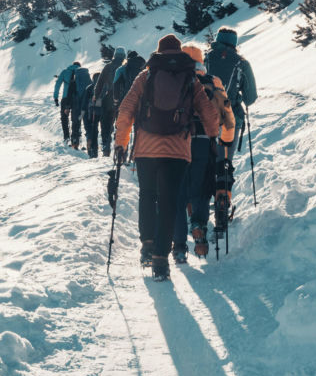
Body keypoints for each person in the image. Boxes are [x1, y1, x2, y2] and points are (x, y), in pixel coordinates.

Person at [113, 34, 219, 280]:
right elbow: (209, 112)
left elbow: (126, 109)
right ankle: (161, 260)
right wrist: (213, 137)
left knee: (148, 196)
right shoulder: (190, 77)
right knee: (170, 202)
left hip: (146, 149)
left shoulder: (146, 75)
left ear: (158, 52)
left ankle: (147, 246)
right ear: (179, 52)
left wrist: (121, 142)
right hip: (178, 150)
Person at [171, 44, 236, 263]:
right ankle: (198, 224)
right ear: (201, 62)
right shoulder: (213, 82)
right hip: (205, 144)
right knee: (202, 190)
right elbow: (228, 117)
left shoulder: (174, 81)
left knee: (179, 195)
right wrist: (224, 141)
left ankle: (179, 246)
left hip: (178, 144)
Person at [205, 27, 257, 139]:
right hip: (230, 119)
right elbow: (250, 98)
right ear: (234, 43)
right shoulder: (242, 63)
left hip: (204, 118)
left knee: (204, 155)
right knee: (224, 156)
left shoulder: (205, 59)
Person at [90, 47, 126, 157]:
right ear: (123, 56)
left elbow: (100, 83)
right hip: (123, 99)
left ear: (114, 56)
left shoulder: (108, 67)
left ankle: (106, 146)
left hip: (109, 99)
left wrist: (96, 96)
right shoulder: (126, 67)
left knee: (106, 123)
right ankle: (120, 147)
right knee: (121, 125)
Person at [53, 61, 81, 144]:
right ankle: (75, 137)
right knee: (76, 118)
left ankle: (66, 137)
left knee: (64, 117)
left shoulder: (65, 72)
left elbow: (58, 84)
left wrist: (56, 97)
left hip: (65, 98)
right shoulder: (81, 72)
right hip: (77, 99)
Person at [70, 63, 94, 152]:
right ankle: (90, 141)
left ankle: (75, 142)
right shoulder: (90, 82)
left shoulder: (73, 83)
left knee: (76, 124)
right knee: (88, 125)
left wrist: (68, 106)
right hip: (87, 107)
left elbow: (69, 95)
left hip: (76, 107)